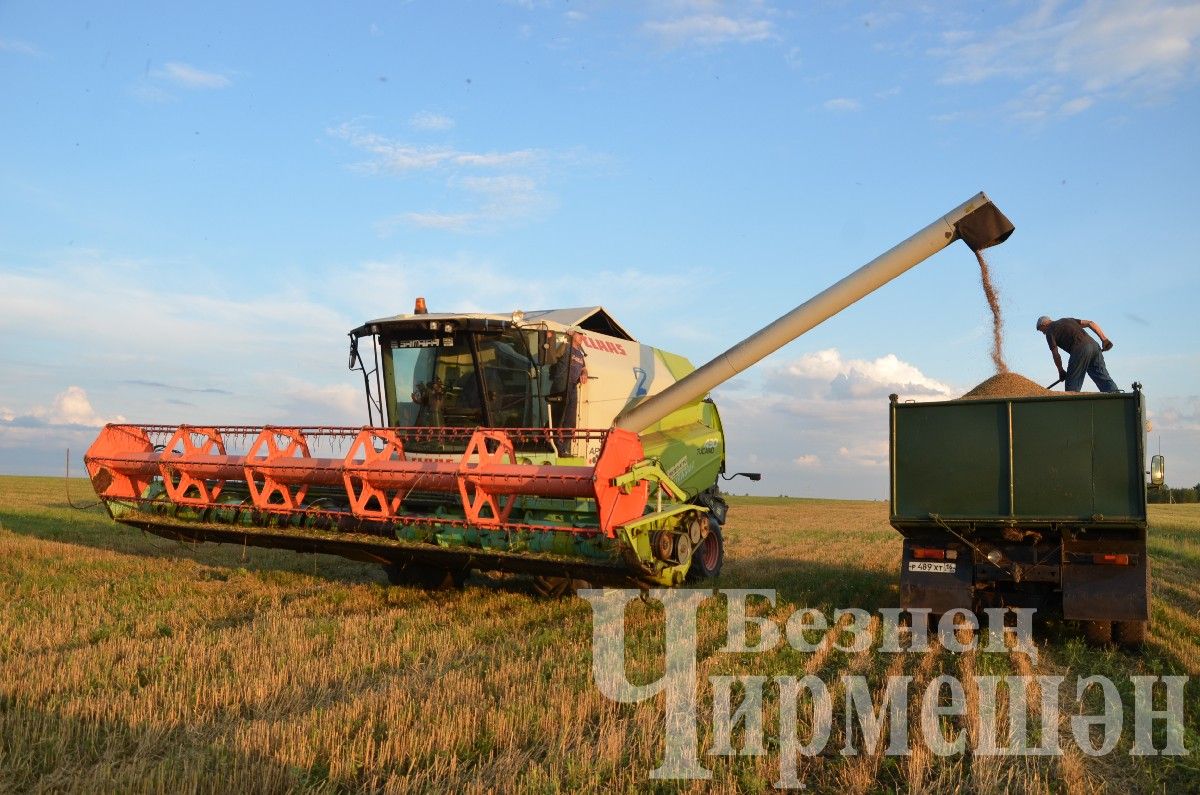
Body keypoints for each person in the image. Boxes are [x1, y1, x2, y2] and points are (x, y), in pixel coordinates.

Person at [1035, 315, 1119, 393]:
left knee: (1071, 384)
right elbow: (1090, 323)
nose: (1043, 333)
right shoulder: (1067, 320)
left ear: (1044, 324)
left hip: (1080, 349)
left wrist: (1060, 371)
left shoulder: (1050, 331)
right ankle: (1116, 397)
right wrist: (1104, 339)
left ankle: (1072, 406)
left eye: (1041, 330)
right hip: (1094, 346)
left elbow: (1055, 354)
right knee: (1102, 376)